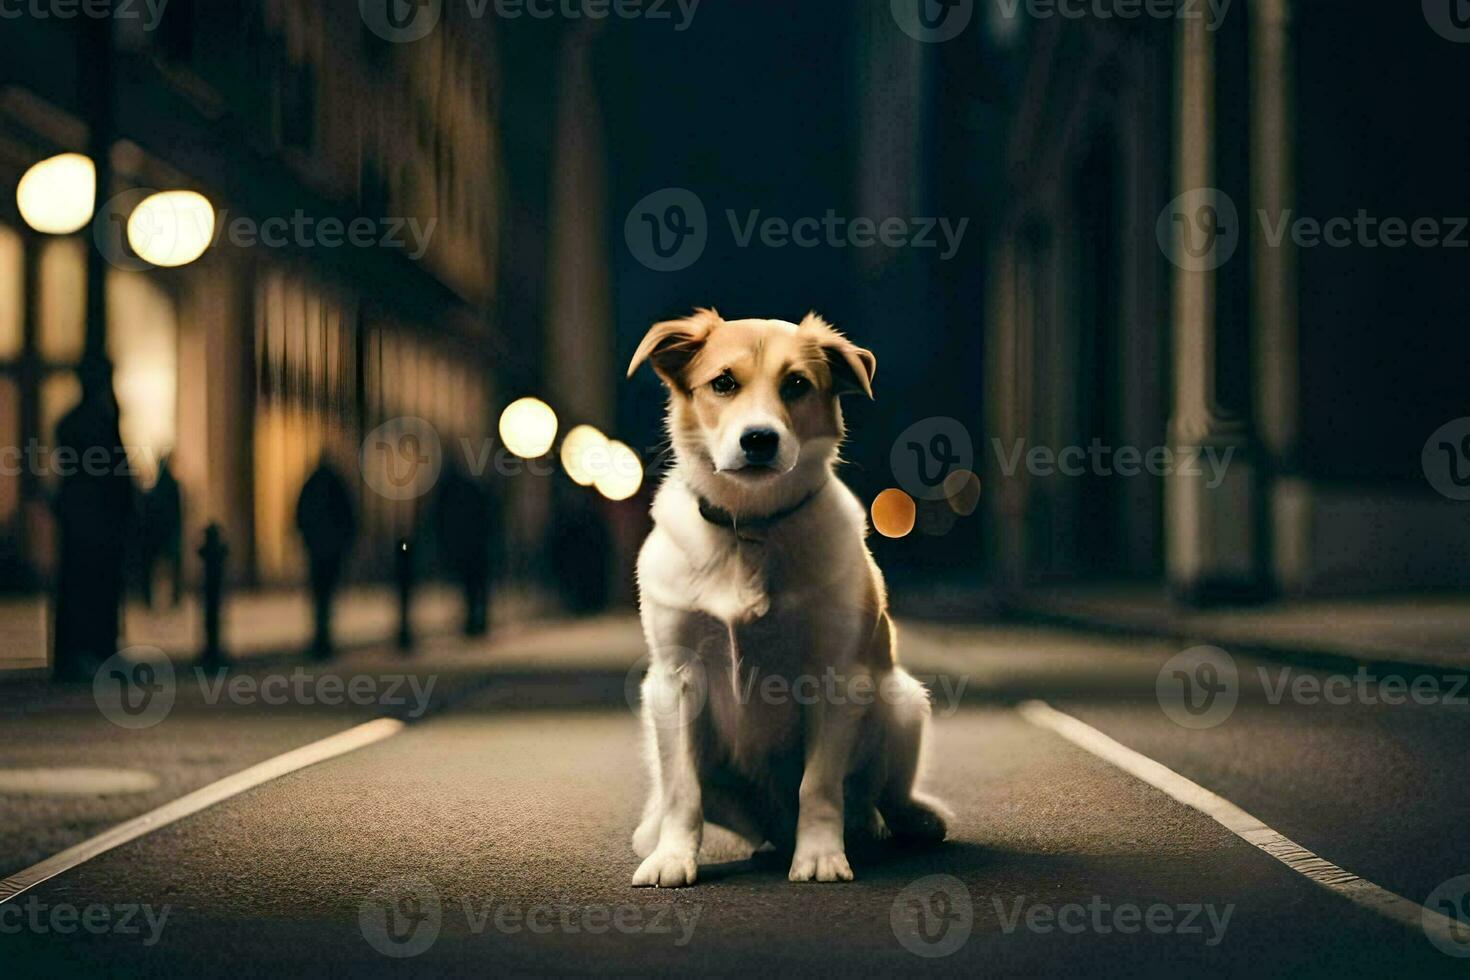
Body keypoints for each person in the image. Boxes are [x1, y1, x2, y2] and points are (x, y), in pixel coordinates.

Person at [52, 358, 134, 681]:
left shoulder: (87, 421)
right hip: (93, 524)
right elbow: (110, 476)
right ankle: (88, 652)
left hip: (91, 523)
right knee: (92, 589)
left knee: (93, 589)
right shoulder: (92, 422)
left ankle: (91, 651)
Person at [295, 458, 357, 659]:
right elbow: (349, 517)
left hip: (319, 549)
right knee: (326, 596)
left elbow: (301, 514)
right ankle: (323, 638)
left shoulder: (313, 484)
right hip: (330, 549)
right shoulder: (335, 485)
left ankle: (321, 637)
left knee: (320, 596)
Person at [434, 461, 494, 635]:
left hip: (467, 546)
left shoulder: (452, 492)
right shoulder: (472, 490)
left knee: (470, 586)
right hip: (474, 546)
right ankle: (477, 620)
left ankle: (474, 620)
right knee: (475, 587)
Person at [139, 454, 183, 608]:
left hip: (161, 533)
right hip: (162, 533)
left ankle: (156, 599)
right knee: (164, 566)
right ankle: (171, 598)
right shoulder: (166, 487)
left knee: (161, 566)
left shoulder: (159, 487)